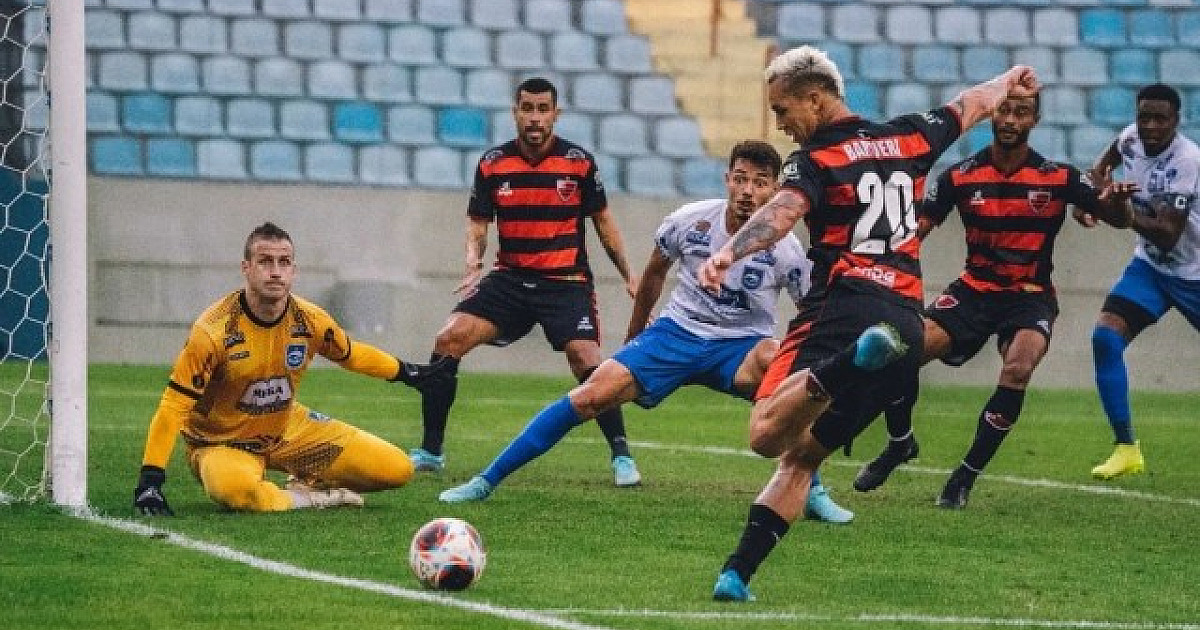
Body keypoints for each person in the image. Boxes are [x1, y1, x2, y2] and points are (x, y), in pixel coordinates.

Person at [696, 45, 1040, 601]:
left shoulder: (812, 161)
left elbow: (781, 213)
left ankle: (841, 368)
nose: (781, 126)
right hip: (905, 322)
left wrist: (728, 253)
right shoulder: (910, 135)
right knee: (803, 455)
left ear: (815, 99)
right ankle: (737, 574)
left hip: (845, 306)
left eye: (783, 111)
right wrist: (1008, 79)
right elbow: (969, 107)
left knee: (765, 434)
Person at [438, 140, 854, 524]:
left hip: (740, 346)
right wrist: (636, 335)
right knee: (590, 395)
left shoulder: (787, 250)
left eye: (760, 183)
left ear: (775, 190)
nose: (747, 191)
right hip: (676, 334)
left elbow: (809, 311)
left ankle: (812, 489)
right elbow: (655, 273)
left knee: (777, 365)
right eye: (740, 178)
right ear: (727, 179)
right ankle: (487, 480)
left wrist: (807, 367)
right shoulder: (689, 222)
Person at [851, 92, 1136, 509]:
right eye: (1003, 109)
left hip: (1030, 299)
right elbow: (916, 230)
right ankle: (900, 443)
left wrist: (1119, 204)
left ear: (1035, 119)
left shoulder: (1058, 177)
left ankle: (963, 478)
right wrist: (881, 263)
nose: (1010, 119)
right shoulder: (961, 176)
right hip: (973, 292)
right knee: (903, 353)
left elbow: (1115, 217)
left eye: (1021, 112)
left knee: (1018, 367)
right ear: (992, 115)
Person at [406, 77, 643, 487]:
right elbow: (478, 222)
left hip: (565, 281)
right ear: (515, 112)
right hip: (510, 280)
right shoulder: (493, 164)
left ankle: (622, 457)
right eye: (527, 109)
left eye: (542, 109)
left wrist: (629, 276)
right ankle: (431, 451)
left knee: (588, 360)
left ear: (556, 113)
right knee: (448, 339)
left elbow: (603, 222)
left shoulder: (579, 162)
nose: (535, 118)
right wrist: (472, 262)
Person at [132, 222, 447, 515]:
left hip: (287, 430)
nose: (275, 272)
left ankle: (307, 479)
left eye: (284, 263)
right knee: (234, 490)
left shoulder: (310, 320)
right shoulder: (213, 331)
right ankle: (313, 498)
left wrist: (410, 373)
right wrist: (151, 480)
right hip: (222, 443)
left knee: (397, 469)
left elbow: (351, 355)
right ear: (246, 268)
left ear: (294, 271)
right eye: (265, 262)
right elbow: (174, 407)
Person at [1076, 84, 1200, 481]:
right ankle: (1127, 447)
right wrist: (1092, 201)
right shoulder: (1129, 139)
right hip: (1151, 270)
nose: (1149, 126)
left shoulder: (1186, 160)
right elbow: (1099, 171)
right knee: (1105, 338)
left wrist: (1121, 213)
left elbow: (1167, 233)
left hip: (1194, 273)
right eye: (1144, 116)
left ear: (1176, 121)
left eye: (1159, 119)